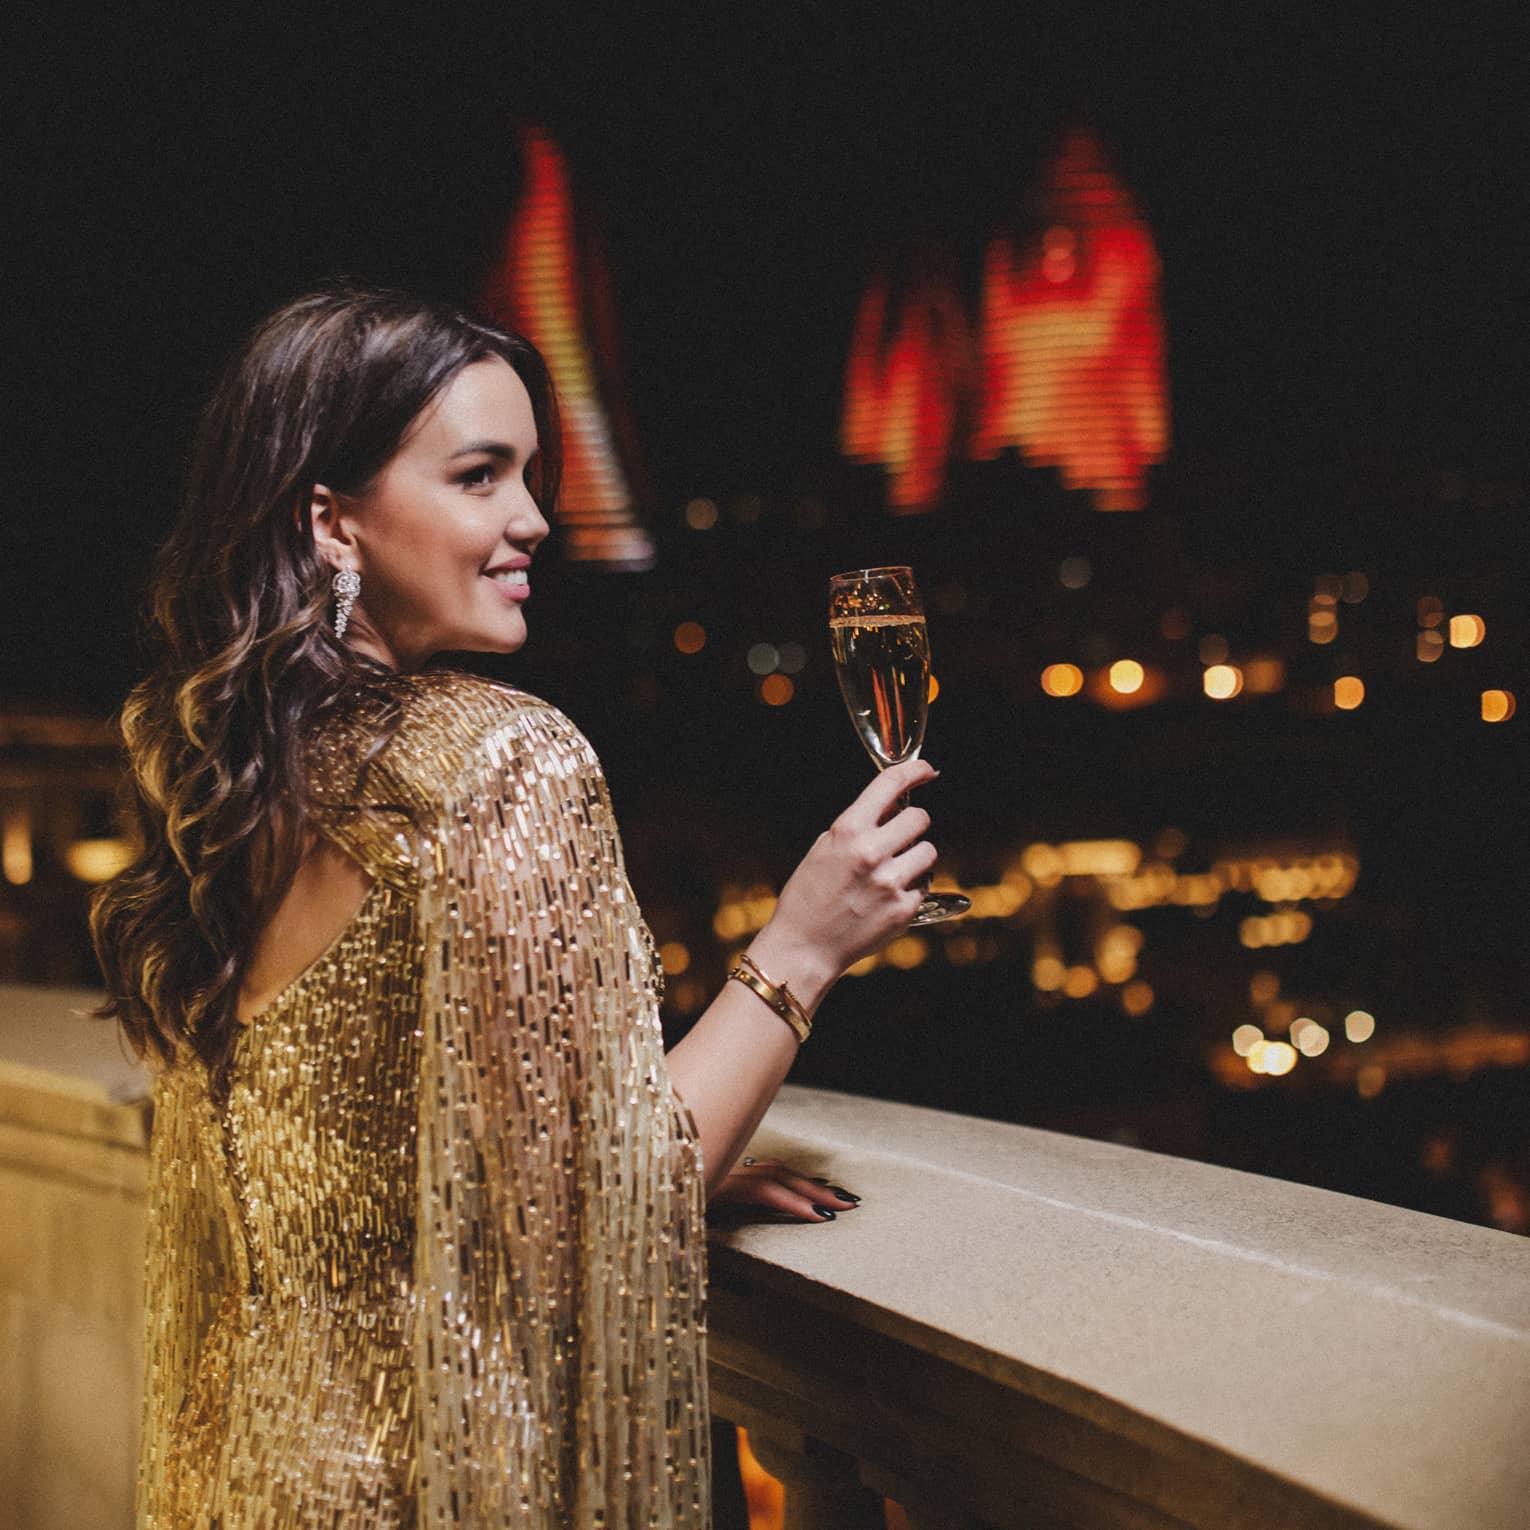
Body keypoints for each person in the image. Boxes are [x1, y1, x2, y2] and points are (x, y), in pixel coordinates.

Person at [89, 284, 939, 1528]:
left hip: (250, 1483)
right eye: (480, 475)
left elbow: (390, 1151)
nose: (536, 520)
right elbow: (606, 1210)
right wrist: (805, 945)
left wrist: (642, 1142)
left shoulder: (235, 771)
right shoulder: (500, 764)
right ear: (332, 520)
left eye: (531, 476)